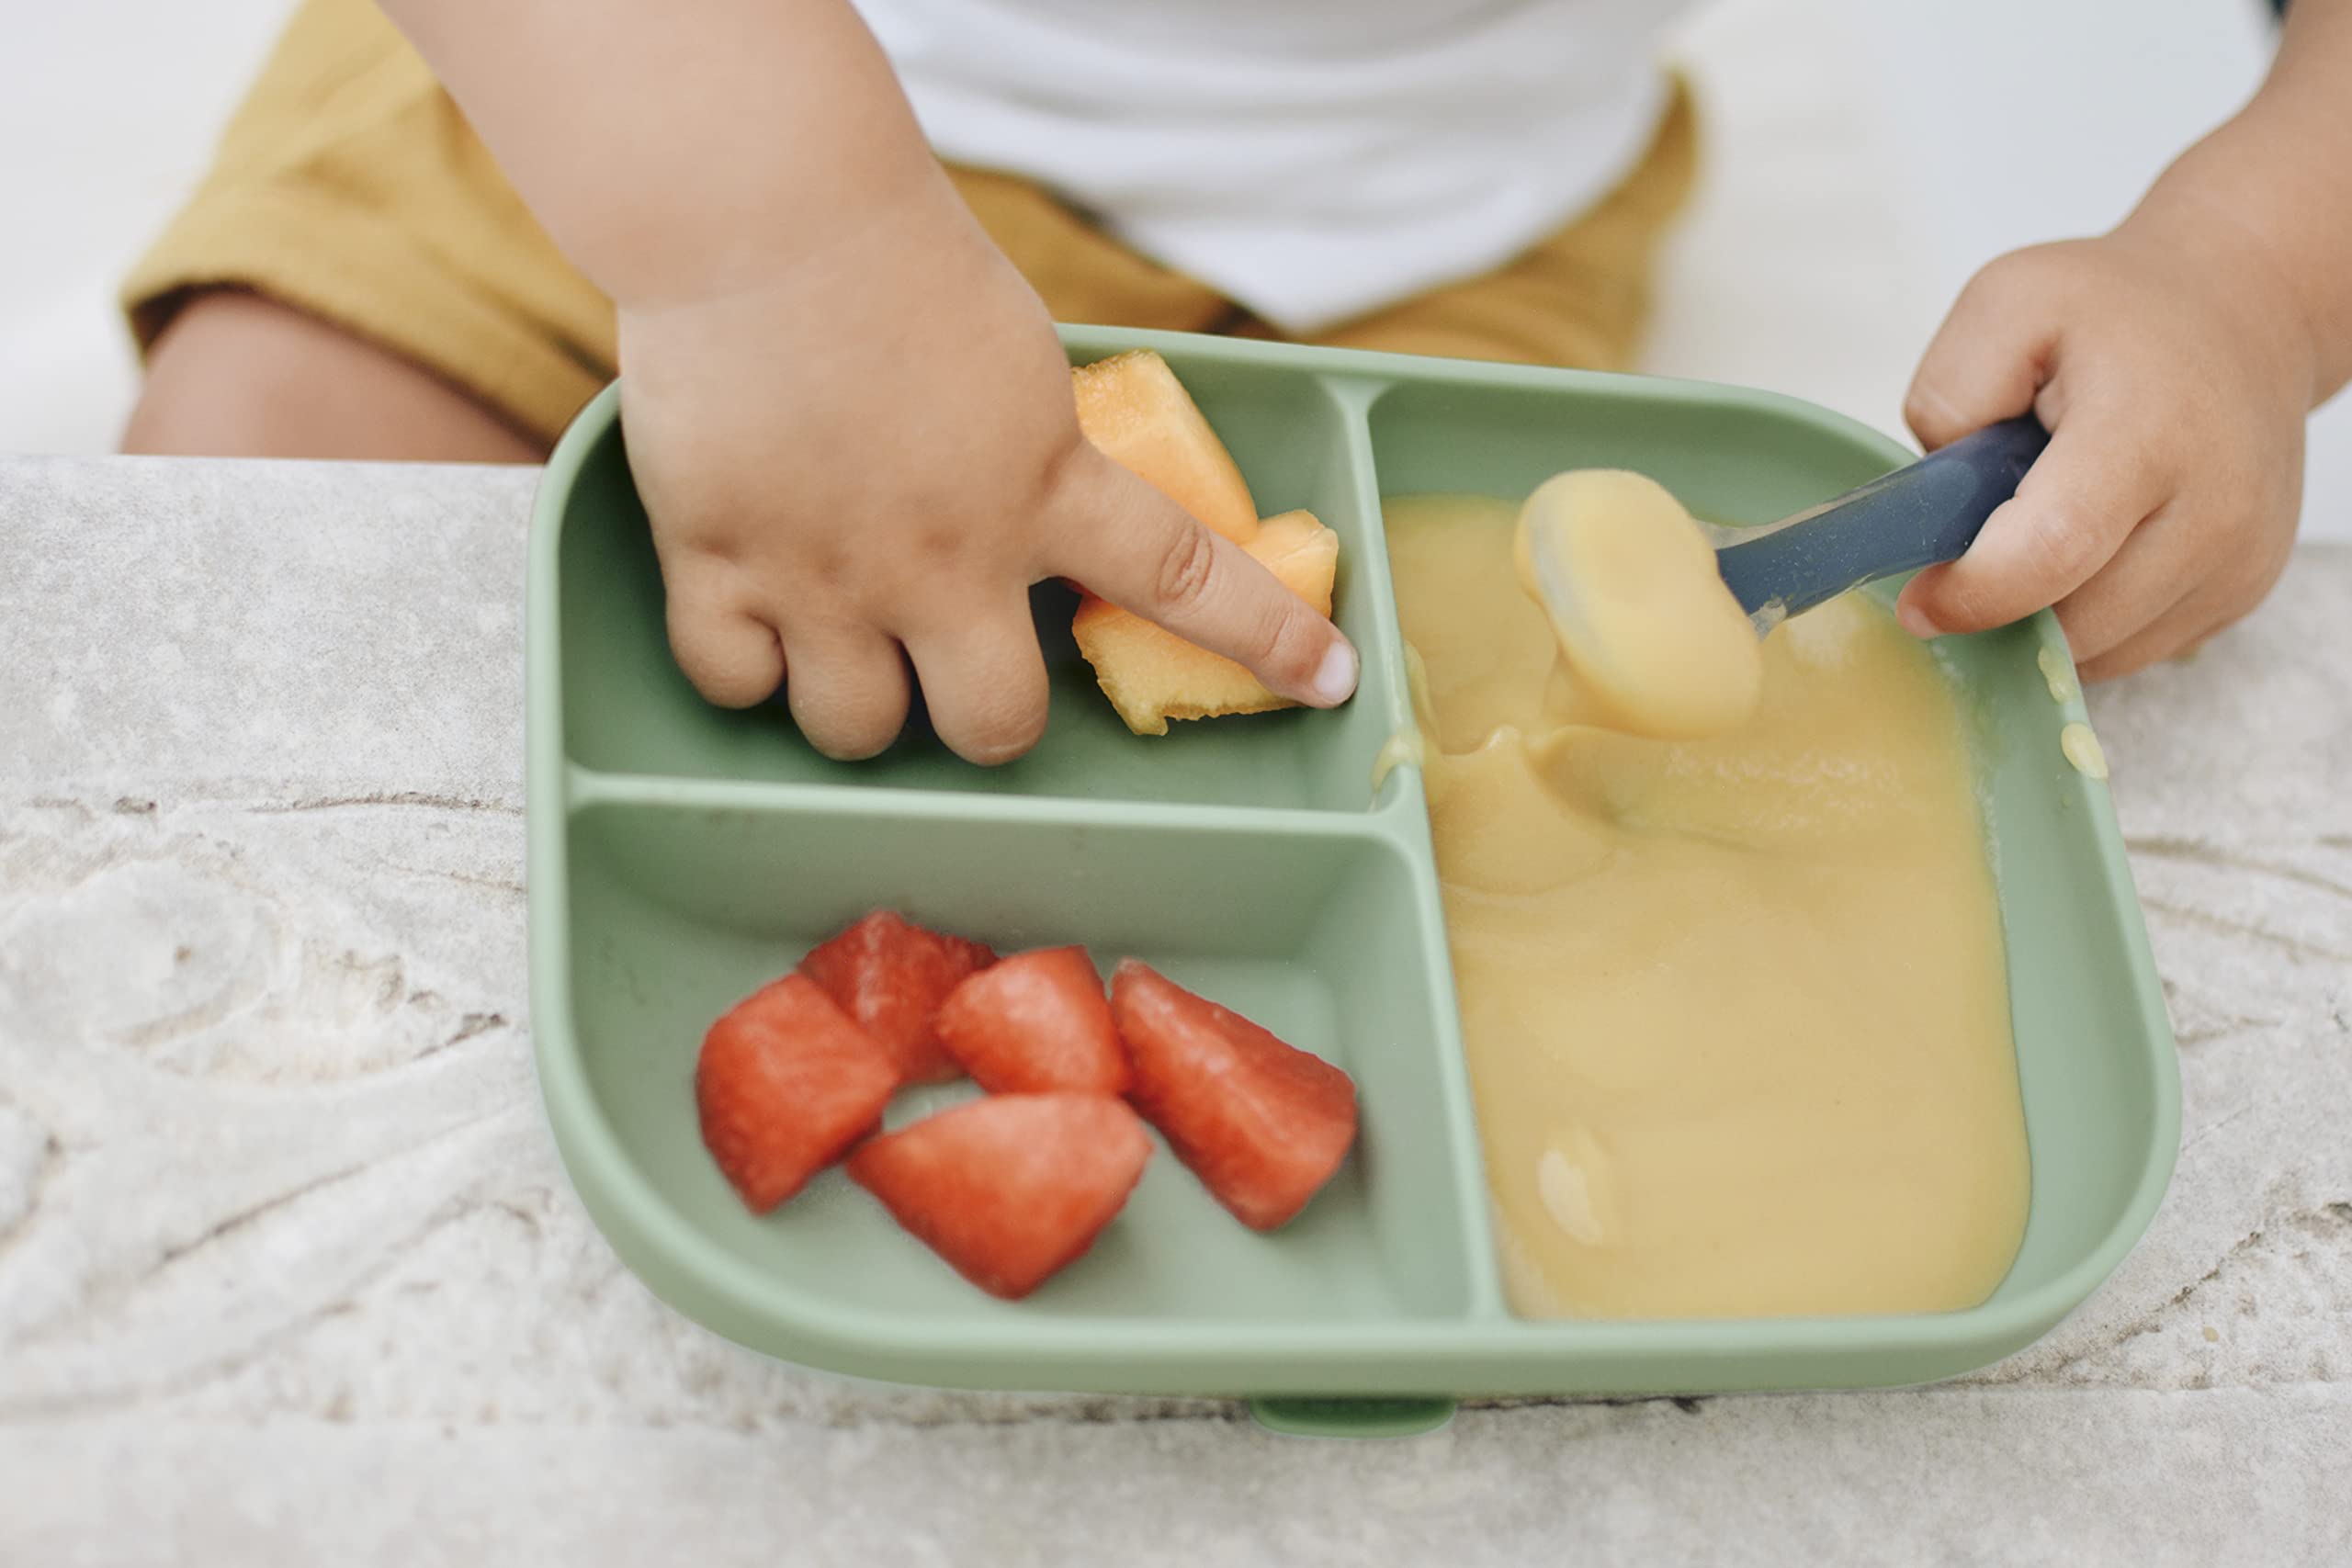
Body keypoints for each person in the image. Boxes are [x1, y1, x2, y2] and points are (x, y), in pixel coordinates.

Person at [119, 0, 2352, 762]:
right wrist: (765, 242)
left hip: (1439, 216)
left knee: (1438, 784)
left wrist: (2255, 274)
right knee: (240, 562)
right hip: (679, 91)